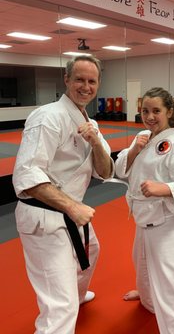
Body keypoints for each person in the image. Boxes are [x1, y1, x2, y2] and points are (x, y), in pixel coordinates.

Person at [12, 55, 113, 334]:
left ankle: (78, 295)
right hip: (43, 213)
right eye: (79, 79)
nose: (85, 86)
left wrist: (95, 143)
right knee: (60, 307)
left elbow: (104, 172)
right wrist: (73, 207)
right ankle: (67, 303)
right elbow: (27, 176)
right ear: (66, 80)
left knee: (91, 251)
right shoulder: (48, 117)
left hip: (68, 209)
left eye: (91, 81)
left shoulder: (90, 122)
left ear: (98, 85)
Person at [115, 87, 174, 334]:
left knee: (169, 284)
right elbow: (120, 169)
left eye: (156, 111)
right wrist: (133, 150)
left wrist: (163, 188)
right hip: (144, 218)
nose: (150, 116)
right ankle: (147, 299)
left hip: (166, 224)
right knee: (140, 261)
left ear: (170, 111)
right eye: (145, 110)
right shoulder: (143, 136)